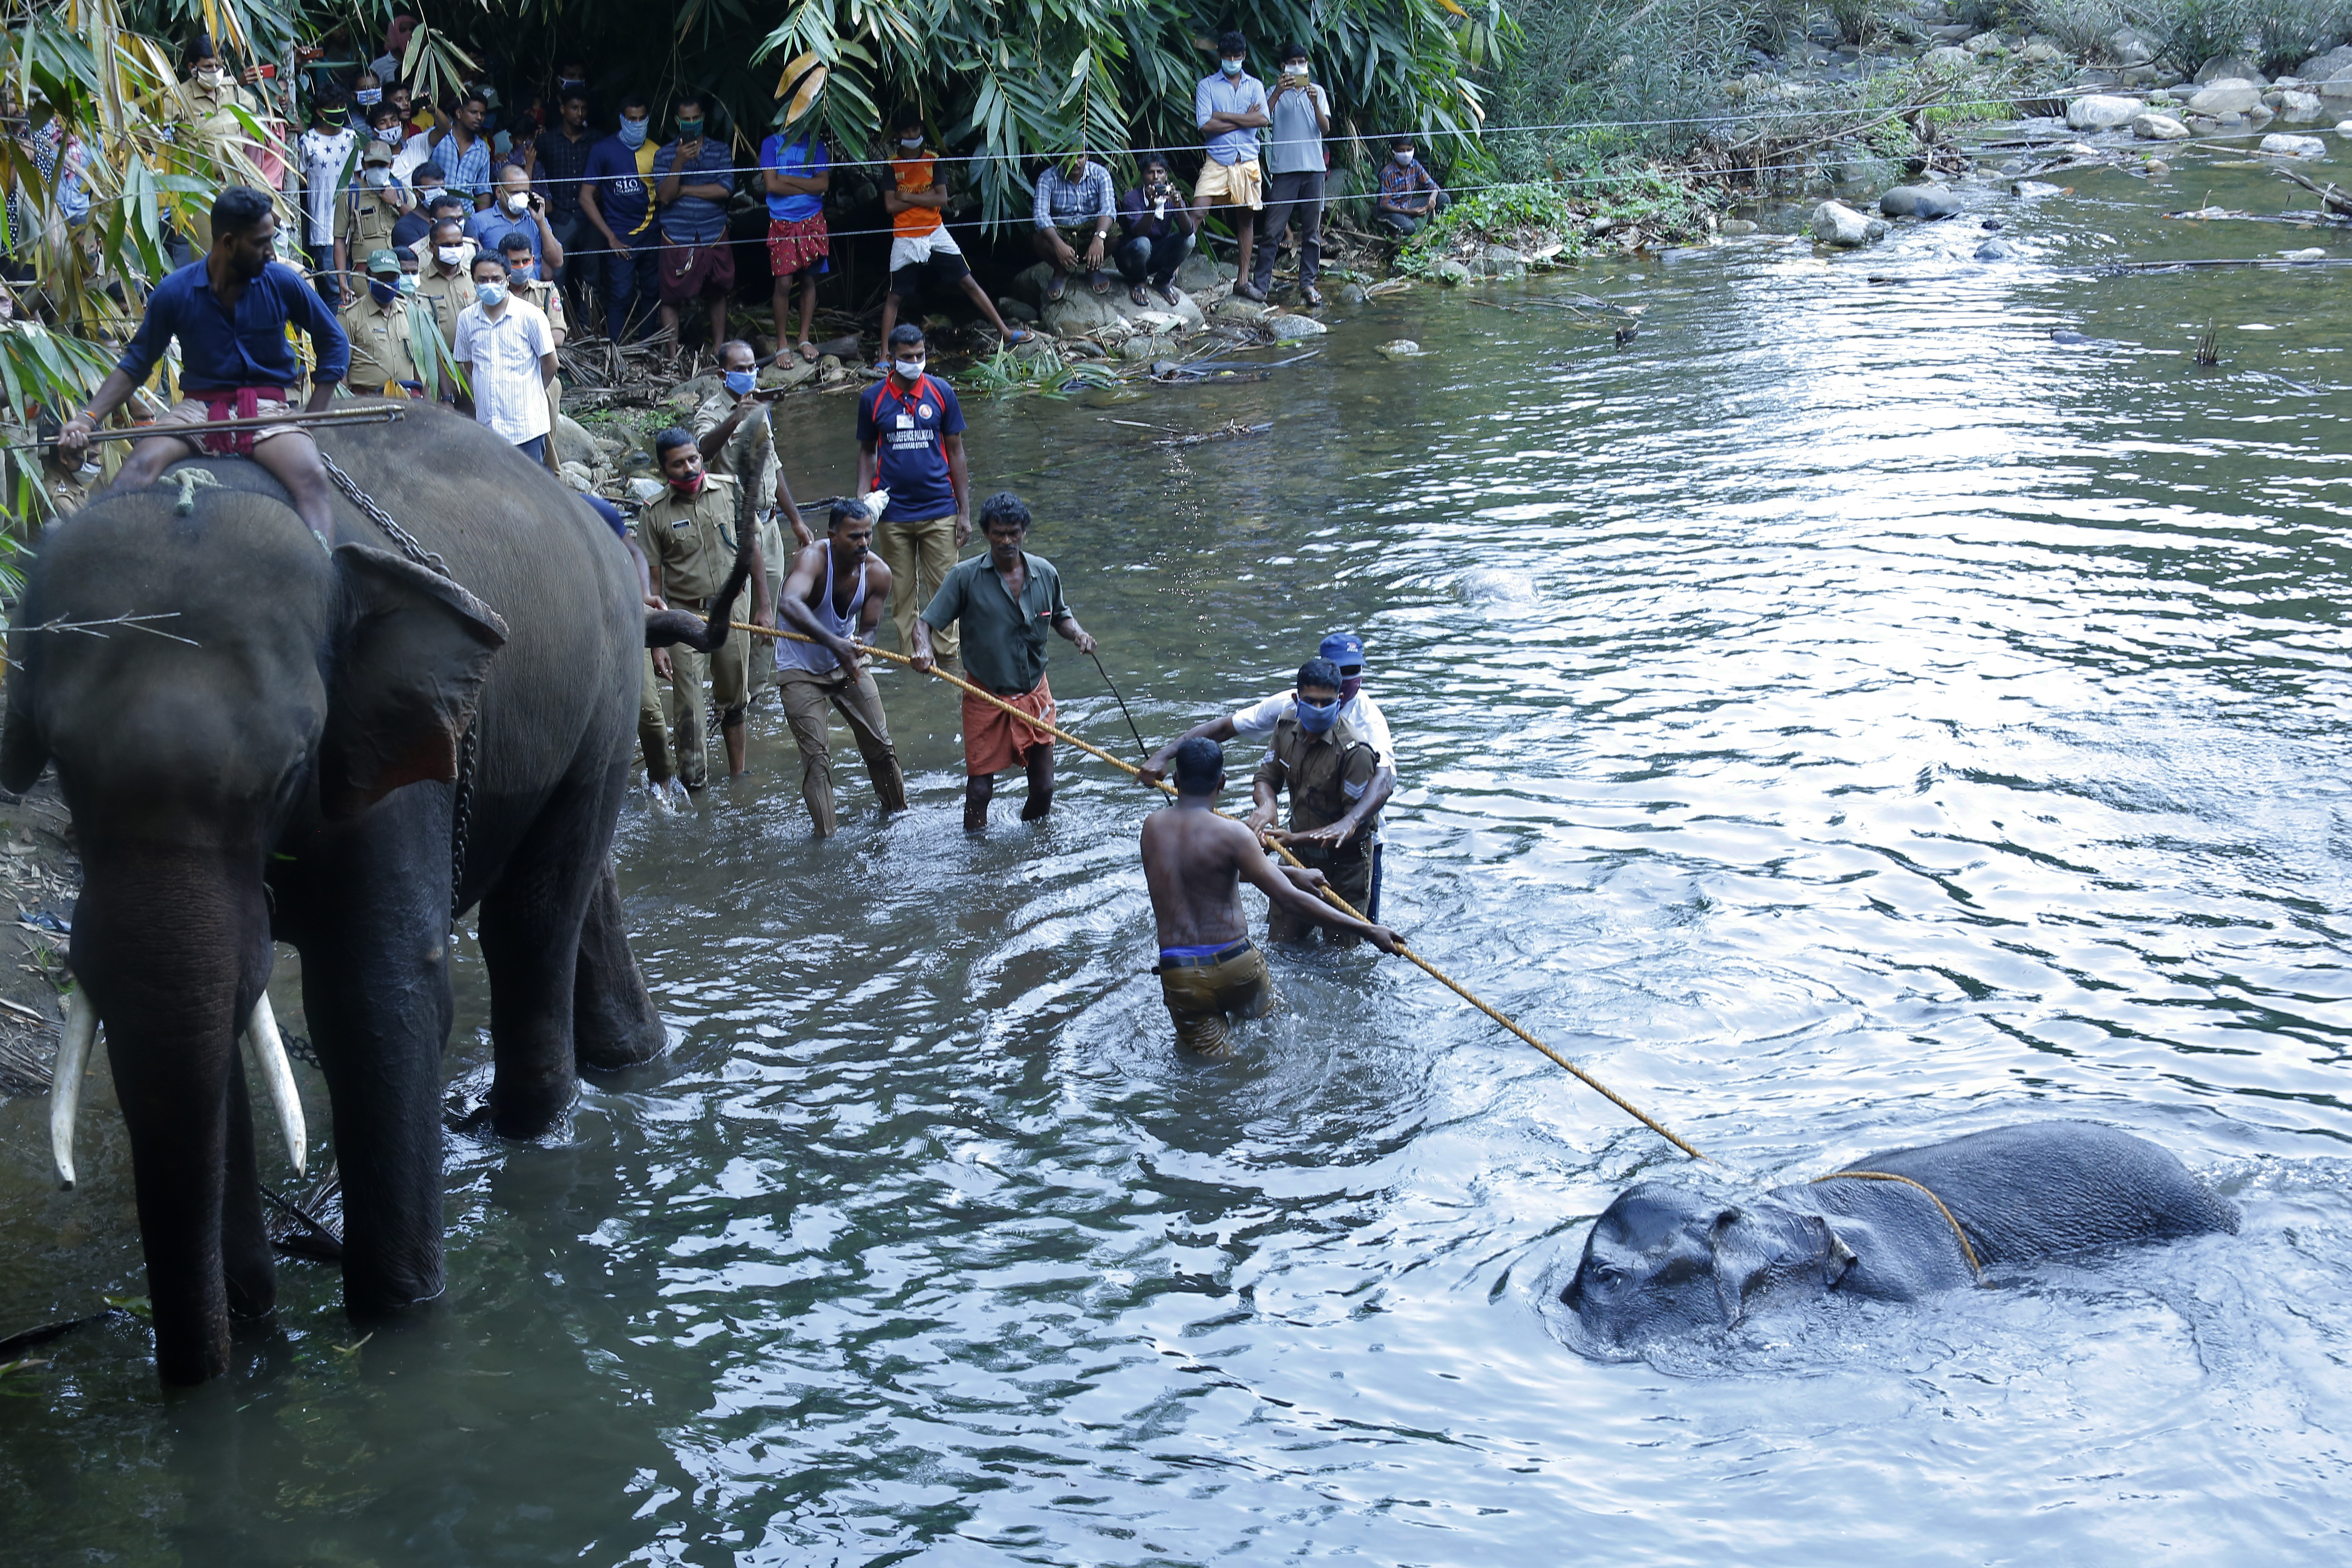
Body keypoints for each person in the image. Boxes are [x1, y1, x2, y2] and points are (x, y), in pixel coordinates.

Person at [56, 185, 347, 545]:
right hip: (196, 410)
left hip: (269, 411)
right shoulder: (174, 291)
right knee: (137, 470)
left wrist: (310, 419)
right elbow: (136, 363)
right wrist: (87, 418)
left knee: (313, 478)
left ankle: (326, 574)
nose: (271, 251)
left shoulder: (283, 282)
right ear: (228, 243)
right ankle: (95, 562)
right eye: (260, 243)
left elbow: (334, 343)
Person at [1141, 736, 1396, 1056]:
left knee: (1215, 1070)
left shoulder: (1151, 829)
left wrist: (1291, 873)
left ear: (1177, 780)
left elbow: (1206, 872)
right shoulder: (1233, 834)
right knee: (1271, 1035)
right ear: (1222, 781)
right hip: (1238, 967)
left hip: (1181, 975)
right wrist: (1369, 930)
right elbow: (1287, 900)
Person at [1141, 629, 1396, 916]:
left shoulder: (1367, 726)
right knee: (1287, 930)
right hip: (1299, 838)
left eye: (1354, 672)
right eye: (1340, 670)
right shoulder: (1288, 714)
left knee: (1354, 938)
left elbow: (1384, 781)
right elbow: (1231, 732)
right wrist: (1165, 755)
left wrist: (1349, 821)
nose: (1348, 680)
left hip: (1352, 846)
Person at [911, 492, 1095, 832]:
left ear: (1024, 531)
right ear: (986, 534)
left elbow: (1062, 617)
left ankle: (1034, 850)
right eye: (999, 534)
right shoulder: (964, 578)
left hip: (1035, 693)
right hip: (985, 695)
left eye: (1014, 532)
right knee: (980, 791)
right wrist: (923, 650)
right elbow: (924, 624)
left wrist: (1079, 634)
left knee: (1044, 788)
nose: (1007, 541)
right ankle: (977, 860)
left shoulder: (1045, 573)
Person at [637, 428, 768, 787]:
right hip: (683, 617)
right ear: (664, 470)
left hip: (734, 610)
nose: (690, 468)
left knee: (734, 697)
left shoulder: (730, 490)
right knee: (689, 708)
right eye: (678, 464)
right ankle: (696, 785)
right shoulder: (654, 513)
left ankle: (739, 774)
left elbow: (751, 548)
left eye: (694, 459)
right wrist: (659, 642)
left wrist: (764, 605)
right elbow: (653, 581)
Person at [773, 497, 908, 835]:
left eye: (867, 536)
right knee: (817, 760)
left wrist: (863, 641)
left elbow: (871, 626)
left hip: (846, 665)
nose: (863, 543)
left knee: (882, 746)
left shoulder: (878, 572)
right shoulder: (813, 559)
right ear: (833, 536)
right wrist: (834, 642)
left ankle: (899, 820)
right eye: (854, 537)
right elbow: (788, 602)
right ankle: (826, 840)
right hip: (800, 669)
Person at [1246, 657, 1387, 944]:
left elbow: (1356, 828)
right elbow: (1267, 778)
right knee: (1281, 945)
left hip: (1345, 868)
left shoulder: (1354, 751)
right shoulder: (1285, 728)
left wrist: (1293, 837)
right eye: (1311, 701)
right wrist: (1267, 806)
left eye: (1327, 702)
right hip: (1297, 857)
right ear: (1298, 699)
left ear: (1340, 700)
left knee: (1341, 957)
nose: (1319, 709)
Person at [875, 107, 1030, 356]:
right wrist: (924, 198)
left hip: (936, 231)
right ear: (898, 134)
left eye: (915, 129)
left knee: (968, 282)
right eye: (907, 130)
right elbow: (890, 205)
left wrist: (905, 194)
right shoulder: (892, 165)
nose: (912, 133)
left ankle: (1005, 332)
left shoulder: (933, 160)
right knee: (895, 297)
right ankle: (884, 356)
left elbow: (943, 198)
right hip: (905, 235)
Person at [856, 323, 967, 666]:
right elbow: (867, 453)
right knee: (901, 595)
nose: (916, 362)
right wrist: (862, 502)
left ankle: (947, 659)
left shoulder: (941, 392)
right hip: (892, 514)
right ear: (891, 358)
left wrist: (964, 512)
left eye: (920, 355)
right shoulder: (873, 399)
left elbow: (957, 452)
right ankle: (913, 659)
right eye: (907, 357)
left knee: (945, 592)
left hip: (940, 510)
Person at [693, 339, 812, 632]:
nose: (748, 373)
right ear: (723, 375)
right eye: (740, 368)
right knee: (738, 620)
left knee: (769, 619)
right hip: (734, 530)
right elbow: (702, 453)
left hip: (770, 527)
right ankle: (737, 678)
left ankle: (762, 679)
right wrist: (736, 418)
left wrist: (796, 520)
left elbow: (774, 467)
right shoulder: (710, 413)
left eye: (752, 367)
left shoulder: (762, 407)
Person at [650, 95, 734, 358]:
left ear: (703, 118)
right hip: (677, 236)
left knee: (718, 292)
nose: (691, 123)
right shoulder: (664, 155)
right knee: (671, 297)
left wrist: (684, 189)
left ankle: (720, 348)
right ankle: (673, 355)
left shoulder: (720, 150)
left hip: (713, 232)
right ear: (677, 121)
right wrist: (678, 163)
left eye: (696, 118)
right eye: (686, 120)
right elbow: (664, 196)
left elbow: (725, 189)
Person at [452, 251, 557, 463]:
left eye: (496, 279)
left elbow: (551, 364)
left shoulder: (531, 316)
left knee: (529, 489)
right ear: (474, 281)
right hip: (489, 427)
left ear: (507, 280)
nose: (489, 284)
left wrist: (530, 388)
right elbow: (468, 363)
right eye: (483, 280)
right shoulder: (466, 319)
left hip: (527, 428)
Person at [172, 34, 270, 251]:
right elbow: (152, 129)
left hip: (233, 185)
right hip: (199, 190)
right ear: (192, 67)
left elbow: (253, 113)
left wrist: (241, 142)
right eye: (208, 66)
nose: (215, 71)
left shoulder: (232, 89)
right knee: (209, 254)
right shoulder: (180, 96)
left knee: (240, 250)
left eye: (218, 65)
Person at [1251, 43, 1330, 307]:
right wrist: (1277, 92)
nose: (1298, 66)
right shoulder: (1274, 92)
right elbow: (1262, 118)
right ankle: (1261, 286)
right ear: (1283, 67)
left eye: (1302, 61)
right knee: (1273, 231)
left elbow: (1326, 128)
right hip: (1284, 170)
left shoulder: (1317, 91)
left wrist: (1315, 103)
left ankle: (1308, 284)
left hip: (1314, 169)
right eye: (1293, 62)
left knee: (1311, 233)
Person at [1195, 31, 1271, 301]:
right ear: (1220, 57)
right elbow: (1205, 125)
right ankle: (1170, 273)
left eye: (1236, 57)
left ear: (1244, 57)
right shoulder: (1207, 86)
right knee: (1198, 211)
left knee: (1247, 219)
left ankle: (1242, 281)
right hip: (1217, 159)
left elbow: (1263, 120)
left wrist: (1225, 116)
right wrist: (1244, 119)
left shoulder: (1255, 85)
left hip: (1248, 160)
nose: (1232, 61)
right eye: (1227, 57)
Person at [581, 94, 659, 342]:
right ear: (622, 120)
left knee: (653, 292)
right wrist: (610, 237)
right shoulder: (603, 150)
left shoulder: (658, 152)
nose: (637, 124)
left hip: (654, 234)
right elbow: (585, 197)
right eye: (631, 119)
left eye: (641, 119)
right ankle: (616, 350)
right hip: (621, 238)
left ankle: (647, 346)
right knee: (620, 295)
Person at [759, 123, 830, 364]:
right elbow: (771, 185)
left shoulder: (816, 144)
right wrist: (807, 183)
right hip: (782, 221)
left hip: (813, 220)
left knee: (809, 279)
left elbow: (823, 185)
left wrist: (786, 179)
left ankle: (803, 338)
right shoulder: (772, 144)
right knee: (784, 282)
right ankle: (781, 344)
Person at [500, 232, 567, 467]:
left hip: (543, 375)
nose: (521, 267)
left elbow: (557, 336)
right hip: (504, 376)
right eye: (514, 262)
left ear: (533, 260)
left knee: (545, 430)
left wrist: (512, 340)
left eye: (525, 261)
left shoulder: (546, 291)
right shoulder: (494, 297)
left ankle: (549, 472)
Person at [530, 86, 596, 321]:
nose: (580, 113)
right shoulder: (547, 141)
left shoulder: (595, 140)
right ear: (562, 109)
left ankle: (588, 329)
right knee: (556, 276)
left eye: (583, 109)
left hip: (590, 217)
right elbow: (536, 173)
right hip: (559, 216)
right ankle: (555, 327)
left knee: (592, 277)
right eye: (574, 108)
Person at [296, 85, 358, 305]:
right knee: (335, 292)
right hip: (324, 228)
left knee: (355, 287)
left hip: (353, 227)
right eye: (334, 108)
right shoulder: (308, 142)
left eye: (342, 107)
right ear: (321, 113)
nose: (340, 111)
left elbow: (358, 179)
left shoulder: (353, 139)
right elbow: (299, 180)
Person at [339, 246, 428, 396]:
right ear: (368, 280)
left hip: (408, 398)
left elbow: (420, 364)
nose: (387, 284)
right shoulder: (350, 317)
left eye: (392, 278)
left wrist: (424, 398)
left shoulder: (411, 313)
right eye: (381, 279)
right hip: (369, 400)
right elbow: (341, 370)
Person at [1031, 148, 1115, 300]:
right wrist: (1057, 244)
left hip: (1091, 231)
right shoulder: (1048, 178)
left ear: (1087, 156)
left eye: (1080, 157)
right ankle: (1060, 270)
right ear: (1061, 157)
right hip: (1062, 232)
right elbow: (1040, 215)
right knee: (1038, 239)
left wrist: (1099, 239)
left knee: (1116, 233)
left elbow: (1108, 209)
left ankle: (1093, 269)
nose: (1076, 163)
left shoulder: (1100, 174)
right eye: (1069, 157)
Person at [1115, 154, 1196, 307]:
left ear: (1166, 175)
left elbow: (1188, 231)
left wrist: (1179, 207)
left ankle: (1163, 281)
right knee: (1143, 243)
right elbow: (1140, 233)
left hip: (1156, 256)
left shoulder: (1171, 198)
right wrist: (1152, 207)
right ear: (1143, 176)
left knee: (1190, 240)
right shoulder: (1132, 198)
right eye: (1151, 172)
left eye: (1160, 172)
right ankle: (1138, 281)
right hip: (1131, 259)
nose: (1155, 177)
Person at [336, 134, 405, 288]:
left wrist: (397, 202)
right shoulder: (350, 195)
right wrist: (342, 281)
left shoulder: (401, 190)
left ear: (391, 164)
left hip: (398, 273)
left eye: (382, 164)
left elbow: (418, 224)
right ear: (364, 165)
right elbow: (340, 240)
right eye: (372, 164)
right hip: (364, 276)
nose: (377, 169)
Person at [466, 161, 563, 272]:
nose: (521, 197)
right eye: (515, 192)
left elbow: (558, 262)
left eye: (525, 192)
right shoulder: (479, 222)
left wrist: (541, 222)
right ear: (499, 192)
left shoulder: (537, 221)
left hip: (530, 288)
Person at [409, 213, 475, 358]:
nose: (454, 249)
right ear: (432, 247)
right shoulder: (418, 284)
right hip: (440, 364)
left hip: (475, 361)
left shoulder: (474, 278)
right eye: (447, 245)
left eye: (458, 245)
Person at [431, 90, 494, 208]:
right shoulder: (437, 138)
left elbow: (483, 190)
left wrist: (483, 224)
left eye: (482, 114)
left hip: (466, 217)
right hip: (434, 213)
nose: (479, 118)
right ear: (459, 113)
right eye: (474, 112)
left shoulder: (482, 149)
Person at [1374, 136, 1444, 237]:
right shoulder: (1387, 173)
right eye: (1402, 151)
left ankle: (1430, 233)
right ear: (1393, 152)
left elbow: (1434, 186)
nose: (1406, 154)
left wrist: (1433, 197)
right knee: (1409, 228)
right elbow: (1385, 205)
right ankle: (1392, 236)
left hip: (1408, 205)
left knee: (1443, 199)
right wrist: (1410, 212)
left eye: (1409, 150)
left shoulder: (1415, 165)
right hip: (1391, 212)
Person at [389, 161, 443, 249]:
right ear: (417, 192)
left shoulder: (455, 218)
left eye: (443, 188)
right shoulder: (405, 228)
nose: (440, 192)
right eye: (433, 188)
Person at [369, 14, 414, 85]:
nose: (409, 34)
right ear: (394, 34)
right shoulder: (379, 66)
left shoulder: (422, 62)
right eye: (403, 31)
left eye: (412, 30)